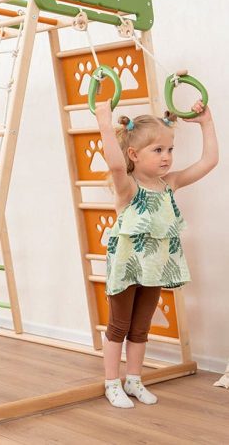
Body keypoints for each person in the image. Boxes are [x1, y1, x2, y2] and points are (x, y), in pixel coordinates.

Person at [94, 98, 218, 408]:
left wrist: (206, 123)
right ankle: (112, 382)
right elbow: (115, 164)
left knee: (141, 327)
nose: (166, 157)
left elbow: (209, 162)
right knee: (118, 327)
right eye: (158, 150)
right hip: (126, 268)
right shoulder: (129, 188)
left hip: (154, 268)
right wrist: (104, 125)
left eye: (170, 150)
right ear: (135, 154)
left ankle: (134, 379)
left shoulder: (169, 184)